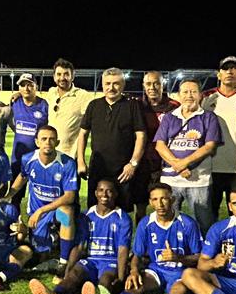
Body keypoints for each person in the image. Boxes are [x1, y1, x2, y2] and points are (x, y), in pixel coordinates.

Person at [104, 183, 202, 294]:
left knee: (177, 291)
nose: (160, 204)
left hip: (180, 272)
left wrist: (178, 258)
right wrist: (134, 271)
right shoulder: (146, 223)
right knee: (137, 283)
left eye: (164, 199)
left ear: (172, 199)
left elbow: (200, 256)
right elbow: (137, 255)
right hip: (156, 270)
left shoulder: (187, 223)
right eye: (155, 199)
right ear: (150, 202)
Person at [28, 178, 131, 294]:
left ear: (116, 194)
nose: (104, 195)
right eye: (101, 190)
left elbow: (123, 250)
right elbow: (79, 247)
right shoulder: (86, 215)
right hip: (91, 260)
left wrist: (121, 278)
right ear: (95, 193)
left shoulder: (123, 218)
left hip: (110, 262)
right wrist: (67, 273)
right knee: (75, 274)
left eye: (109, 191)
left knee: (105, 281)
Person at [75, 67, 147, 212]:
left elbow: (141, 135)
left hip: (123, 170)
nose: (111, 87)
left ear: (123, 85)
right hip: (98, 169)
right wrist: (81, 161)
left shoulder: (132, 105)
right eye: (107, 83)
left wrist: (133, 164)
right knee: (95, 210)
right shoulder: (94, 105)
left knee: (122, 211)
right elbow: (83, 134)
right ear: (102, 85)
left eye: (116, 83)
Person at [153, 78, 221, 231]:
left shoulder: (209, 117)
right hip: (170, 180)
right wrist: (178, 166)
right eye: (185, 92)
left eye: (193, 92)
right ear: (179, 95)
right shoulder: (169, 117)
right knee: (168, 223)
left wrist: (184, 163)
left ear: (200, 95)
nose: (189, 95)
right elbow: (160, 145)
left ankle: (204, 247)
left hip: (198, 181)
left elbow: (209, 146)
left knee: (204, 224)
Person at [9, 124, 79, 267]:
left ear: (57, 142)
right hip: (36, 214)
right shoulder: (28, 159)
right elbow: (22, 176)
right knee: (40, 255)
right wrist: (9, 195)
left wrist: (41, 211)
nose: (48, 142)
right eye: (44, 139)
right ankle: (54, 241)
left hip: (55, 211)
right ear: (37, 142)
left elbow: (70, 196)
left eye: (52, 139)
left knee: (66, 213)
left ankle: (64, 262)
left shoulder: (67, 163)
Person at [202, 56, 236, 217]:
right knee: (209, 215)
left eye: (234, 68)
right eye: (225, 68)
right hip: (211, 166)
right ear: (219, 74)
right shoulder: (206, 98)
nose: (229, 71)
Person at [140, 70, 179, 189]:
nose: (152, 87)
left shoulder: (175, 107)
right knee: (141, 197)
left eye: (156, 83)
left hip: (167, 161)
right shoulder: (137, 106)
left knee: (165, 196)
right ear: (143, 86)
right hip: (143, 162)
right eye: (148, 84)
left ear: (163, 85)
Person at [46, 58, 92, 158]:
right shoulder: (51, 92)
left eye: (66, 74)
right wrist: (19, 94)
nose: (62, 78)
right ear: (54, 77)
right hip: (50, 153)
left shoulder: (83, 96)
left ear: (72, 76)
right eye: (59, 74)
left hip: (69, 156)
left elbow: (94, 117)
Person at [8, 73, 49, 176]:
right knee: (15, 186)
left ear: (36, 87)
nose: (26, 88)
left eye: (30, 85)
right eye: (23, 85)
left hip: (37, 158)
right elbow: (9, 121)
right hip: (17, 159)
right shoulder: (15, 103)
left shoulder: (44, 105)